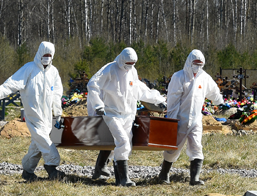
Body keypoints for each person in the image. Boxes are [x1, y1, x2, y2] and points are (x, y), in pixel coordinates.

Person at [87, 47, 166, 187]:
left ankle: (115, 177)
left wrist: (159, 99)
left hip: (128, 114)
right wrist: (98, 105)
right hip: (111, 113)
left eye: (132, 64)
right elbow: (93, 84)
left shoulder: (132, 72)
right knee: (122, 141)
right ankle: (123, 179)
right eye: (128, 63)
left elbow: (140, 90)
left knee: (125, 145)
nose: (129, 66)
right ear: (122, 59)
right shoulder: (109, 69)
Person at [0, 41, 65, 181]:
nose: (47, 57)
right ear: (39, 53)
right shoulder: (29, 68)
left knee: (37, 144)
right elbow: (13, 82)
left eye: (49, 55)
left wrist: (58, 113)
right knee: (44, 139)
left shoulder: (53, 72)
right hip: (33, 113)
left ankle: (28, 171)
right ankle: (52, 167)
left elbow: (56, 94)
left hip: (47, 115)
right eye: (45, 54)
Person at [157, 50, 224, 186]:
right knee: (173, 148)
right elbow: (173, 100)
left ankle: (195, 178)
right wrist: (172, 121)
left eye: (200, 64)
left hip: (195, 121)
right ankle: (164, 175)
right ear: (189, 62)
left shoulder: (204, 77)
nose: (197, 66)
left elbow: (214, 92)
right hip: (180, 119)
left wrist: (221, 102)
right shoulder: (179, 77)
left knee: (196, 147)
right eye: (195, 63)